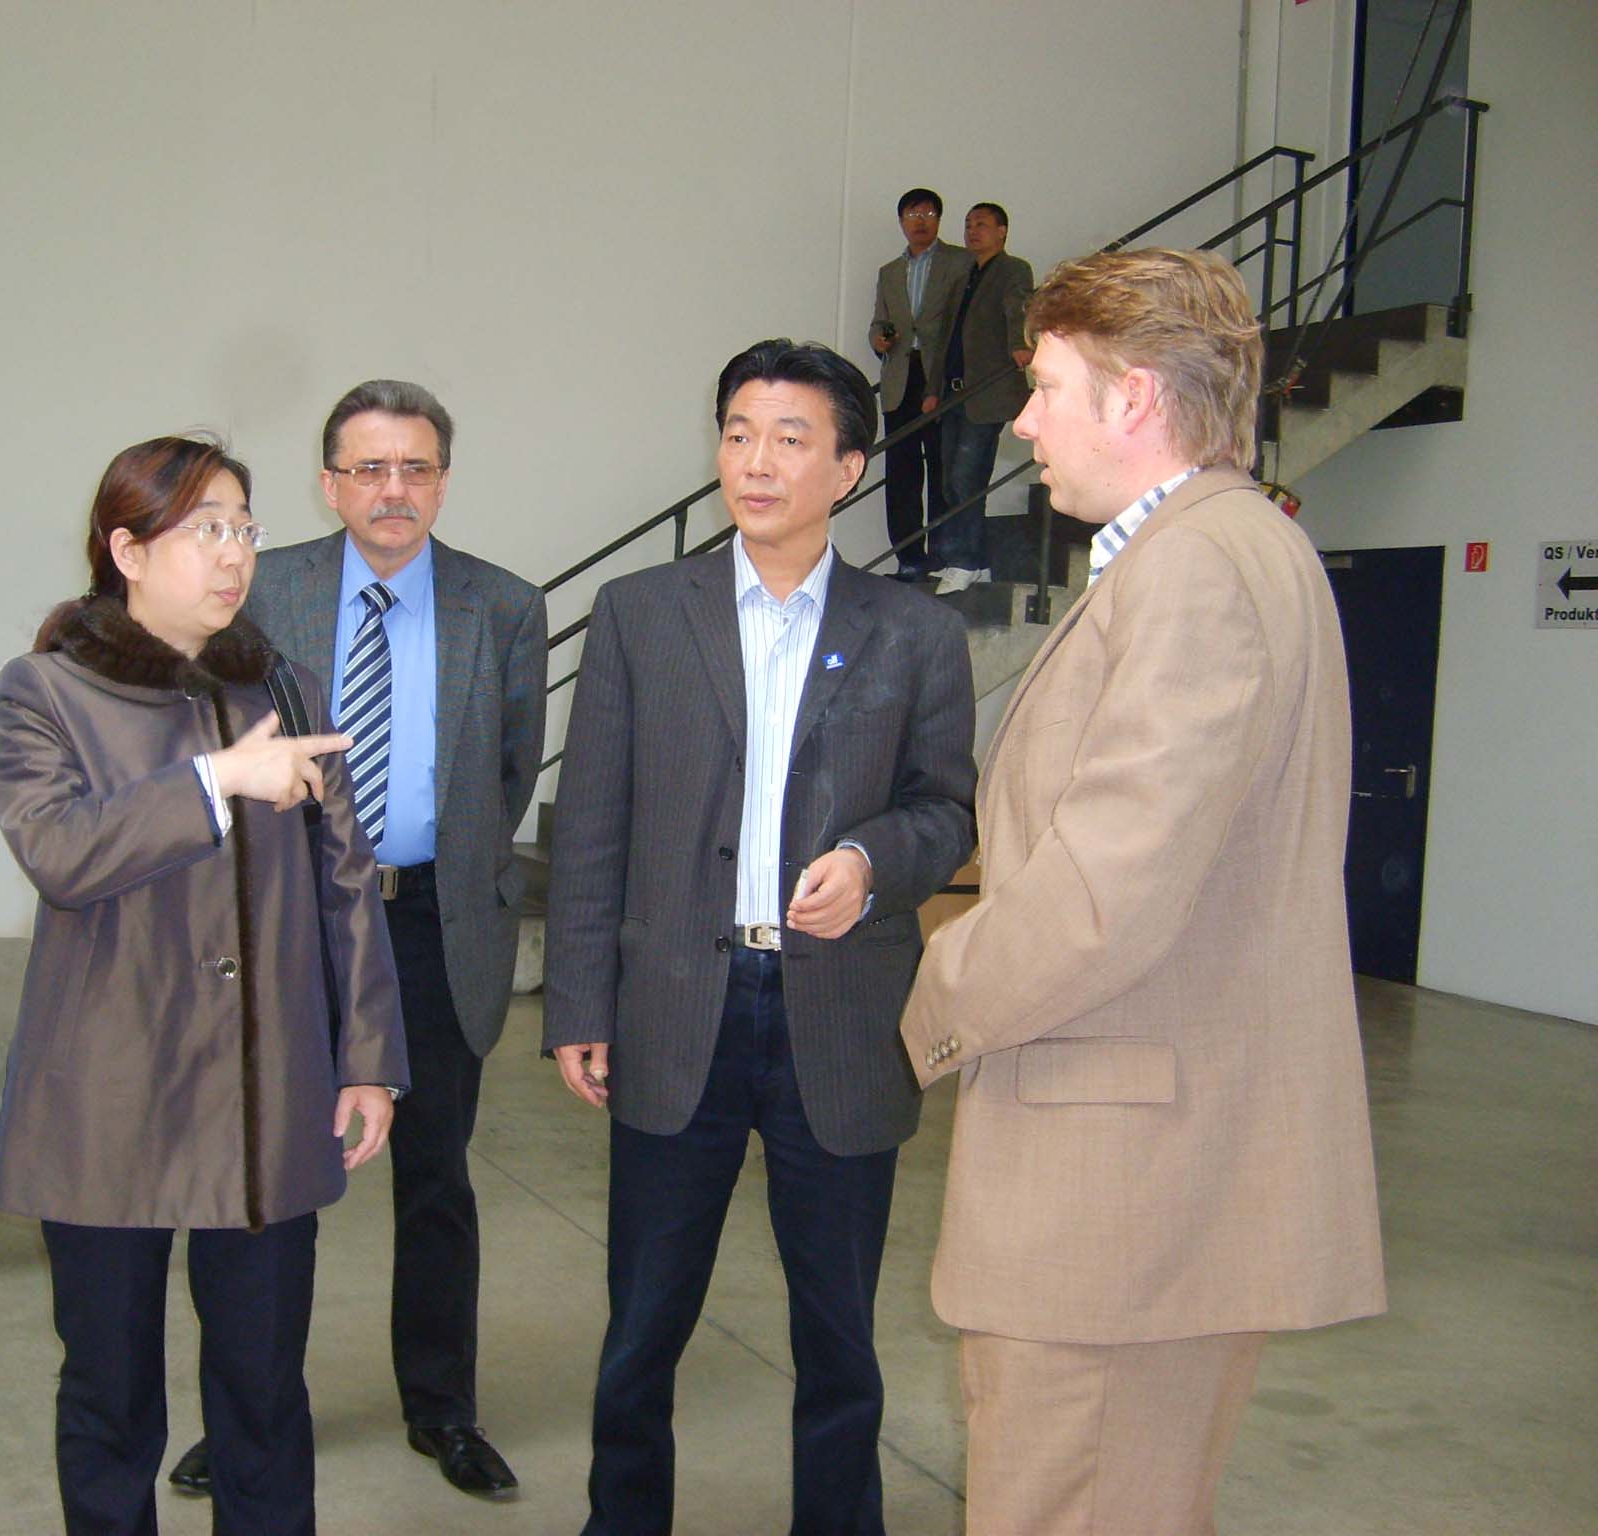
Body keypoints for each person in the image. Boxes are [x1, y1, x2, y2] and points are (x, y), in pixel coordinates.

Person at [899, 248, 1387, 1536]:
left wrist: (926, 991)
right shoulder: (1220, 549)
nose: (1022, 424)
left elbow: (1103, 894)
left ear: (1131, 399)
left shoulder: (1195, 569)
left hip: (1120, 1195)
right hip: (1145, 1177)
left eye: (1045, 388)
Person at [545, 340, 977, 1535]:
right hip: (676, 1004)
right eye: (737, 433)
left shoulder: (912, 632)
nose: (755, 461)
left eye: (790, 438)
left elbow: (946, 809)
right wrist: (578, 1003)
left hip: (835, 1015)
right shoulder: (641, 614)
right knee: (641, 1324)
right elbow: (590, 822)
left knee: (837, 1334)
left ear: (846, 468)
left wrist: (871, 863)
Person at [0, 434, 409, 1536]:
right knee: (111, 1393)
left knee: (263, 1394)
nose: (232, 555)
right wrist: (217, 779)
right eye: (204, 530)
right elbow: (60, 852)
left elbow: (345, 882)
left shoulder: (279, 684)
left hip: (263, 1096)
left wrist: (367, 1059)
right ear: (127, 550)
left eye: (243, 529)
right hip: (109, 1103)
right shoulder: (46, 690)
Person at [168, 381, 547, 1501]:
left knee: (435, 1180)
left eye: (416, 467)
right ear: (329, 484)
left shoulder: (503, 606)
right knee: (266, 1183)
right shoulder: (263, 591)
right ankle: (248, 1413)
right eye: (369, 468)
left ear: (443, 481)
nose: (394, 490)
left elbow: (508, 771)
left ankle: (442, 1408)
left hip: (431, 922)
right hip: (286, 923)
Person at [917, 201, 1034, 593]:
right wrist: (932, 389)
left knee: (967, 477)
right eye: (968, 225)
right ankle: (973, 561)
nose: (972, 231)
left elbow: (1017, 307)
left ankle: (965, 561)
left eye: (981, 224)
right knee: (950, 481)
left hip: (985, 392)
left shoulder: (1012, 269)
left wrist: (1020, 344)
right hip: (954, 393)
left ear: (1002, 231)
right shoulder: (964, 275)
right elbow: (945, 338)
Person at [870, 187, 972, 580]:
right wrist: (879, 339)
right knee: (902, 471)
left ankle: (943, 554)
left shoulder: (960, 262)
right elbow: (879, 321)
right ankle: (909, 556)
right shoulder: (889, 272)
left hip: (941, 373)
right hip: (900, 376)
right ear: (901, 222)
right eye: (913, 215)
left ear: (939, 220)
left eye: (928, 214)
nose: (920, 222)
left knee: (943, 465)